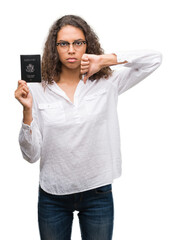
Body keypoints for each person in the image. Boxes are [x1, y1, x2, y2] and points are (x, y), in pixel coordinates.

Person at [15, 15, 162, 240]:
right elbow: (31, 155)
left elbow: (154, 59)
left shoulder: (107, 83)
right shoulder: (38, 89)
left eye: (78, 43)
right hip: (53, 195)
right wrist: (26, 111)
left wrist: (105, 60)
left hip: (97, 192)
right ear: (54, 48)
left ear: (88, 44)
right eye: (64, 43)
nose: (71, 50)